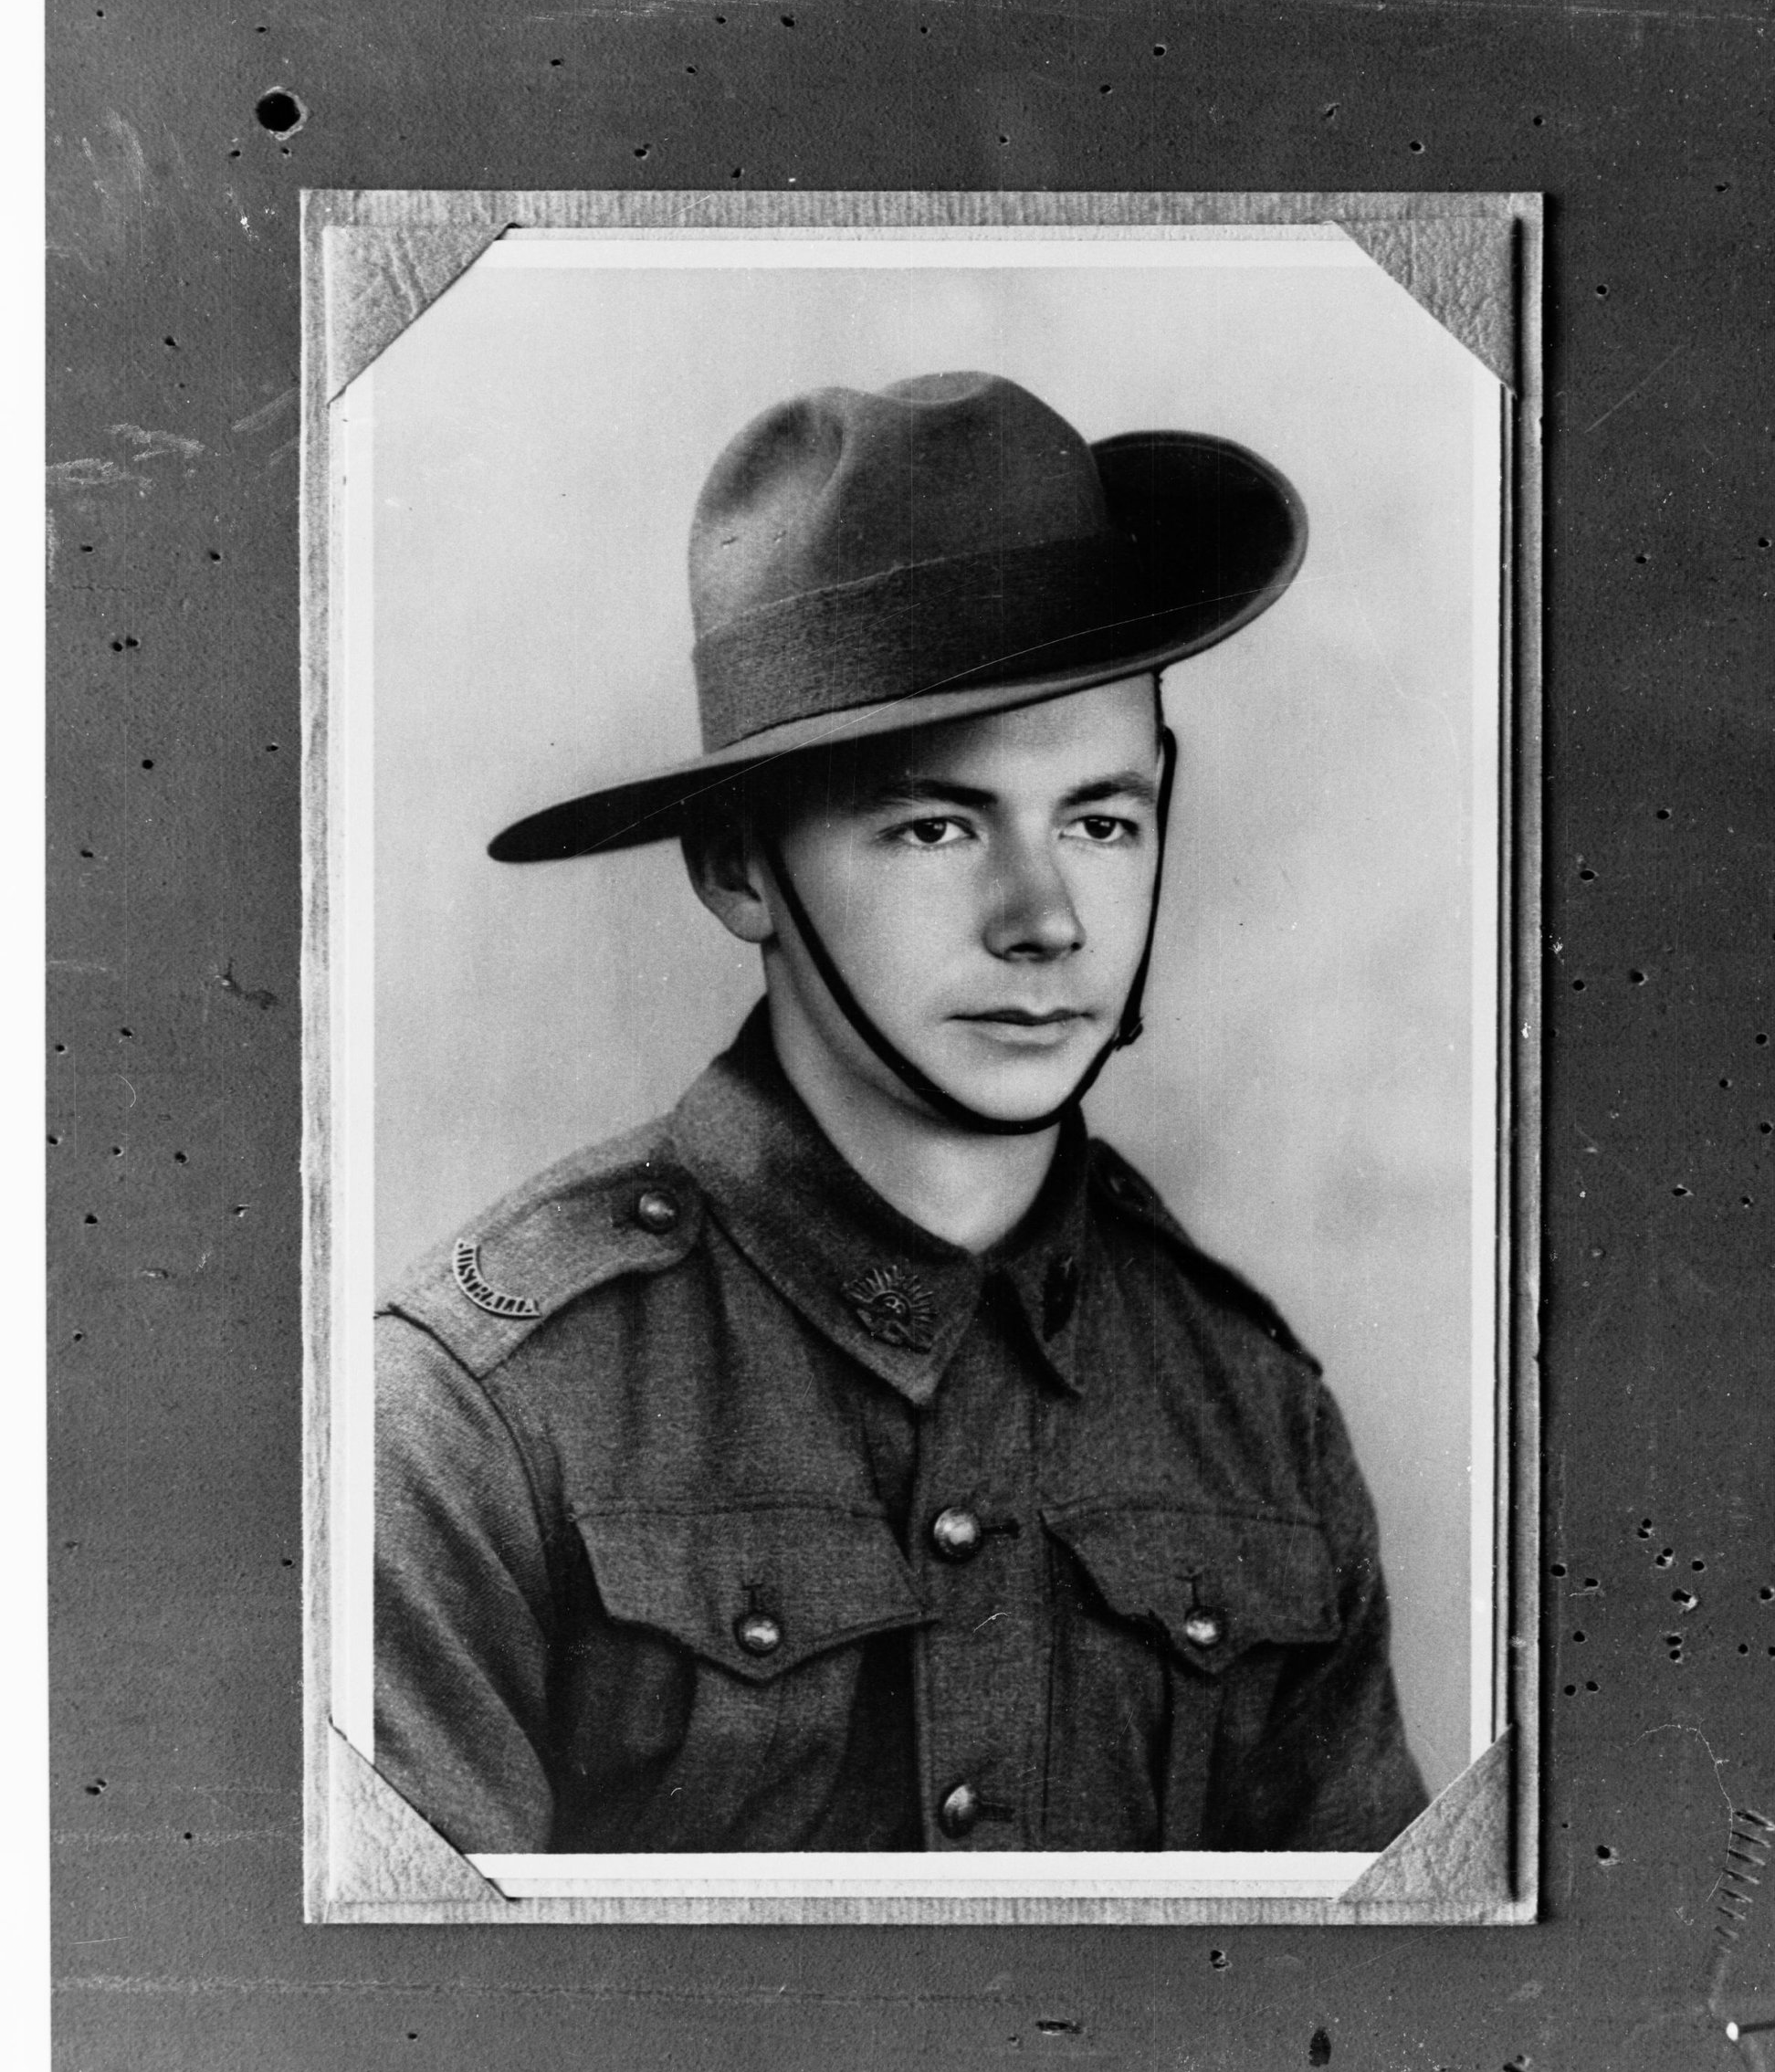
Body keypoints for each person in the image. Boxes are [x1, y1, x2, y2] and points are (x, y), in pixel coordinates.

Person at [373, 370, 1427, 1856]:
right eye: (937, 825)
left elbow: (1380, 2039)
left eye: (1101, 819)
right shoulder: (478, 1419)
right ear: (742, 866)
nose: (1046, 917)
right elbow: (412, 2051)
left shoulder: (1255, 1417)